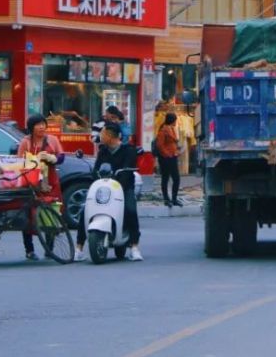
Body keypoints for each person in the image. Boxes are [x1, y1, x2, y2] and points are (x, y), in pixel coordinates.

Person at [74, 122, 143, 262]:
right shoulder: (103, 151)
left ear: (110, 136)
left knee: (130, 210)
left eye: (103, 133)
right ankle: (79, 248)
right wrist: (97, 177)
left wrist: (118, 183)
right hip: (104, 189)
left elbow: (128, 171)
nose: (101, 135)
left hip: (123, 188)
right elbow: (96, 170)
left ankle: (134, 247)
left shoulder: (128, 150)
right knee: (85, 210)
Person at [17, 114, 65, 261]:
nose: (42, 127)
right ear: (31, 128)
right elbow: (19, 161)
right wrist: (34, 160)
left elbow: (61, 156)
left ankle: (49, 248)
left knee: (51, 215)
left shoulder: (52, 140)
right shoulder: (25, 142)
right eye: (38, 125)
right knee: (29, 215)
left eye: (43, 124)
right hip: (31, 183)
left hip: (50, 182)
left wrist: (53, 158)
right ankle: (29, 250)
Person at [156, 112, 181, 207]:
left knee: (173, 178)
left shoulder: (170, 129)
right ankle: (168, 199)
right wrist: (167, 155)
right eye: (175, 120)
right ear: (172, 120)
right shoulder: (164, 130)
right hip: (166, 158)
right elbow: (160, 145)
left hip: (172, 156)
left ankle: (173, 199)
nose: (176, 122)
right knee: (167, 178)